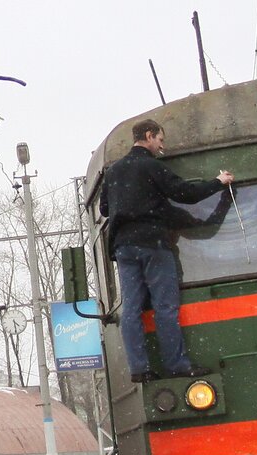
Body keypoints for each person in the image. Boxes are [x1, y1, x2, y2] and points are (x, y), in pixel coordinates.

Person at [100, 119, 234, 383]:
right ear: (149, 136)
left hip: (124, 247)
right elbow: (186, 194)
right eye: (160, 139)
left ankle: (139, 369)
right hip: (153, 244)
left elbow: (105, 209)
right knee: (165, 306)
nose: (162, 146)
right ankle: (177, 365)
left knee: (132, 308)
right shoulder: (152, 166)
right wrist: (218, 182)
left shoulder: (114, 171)